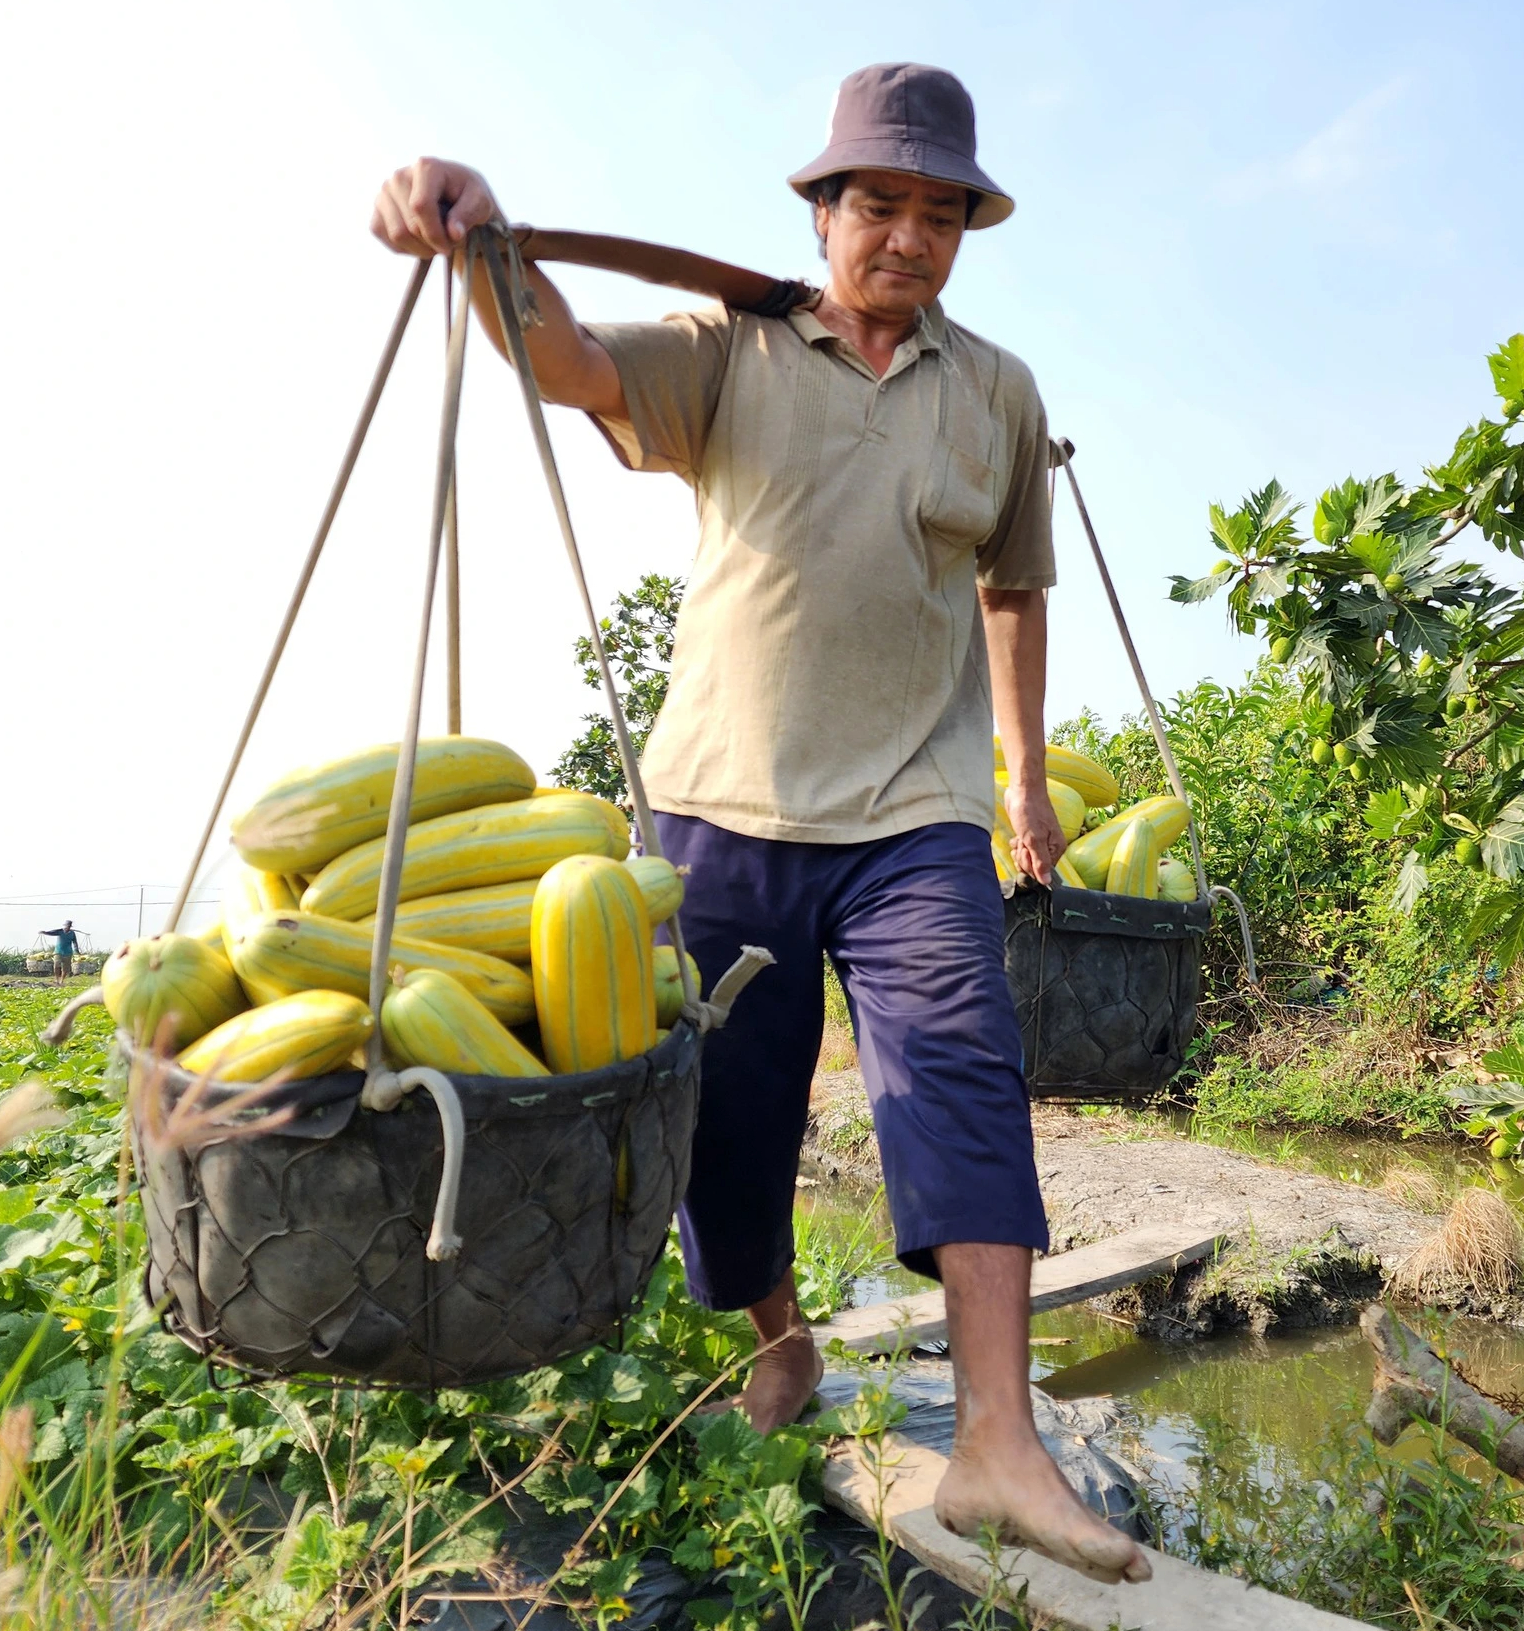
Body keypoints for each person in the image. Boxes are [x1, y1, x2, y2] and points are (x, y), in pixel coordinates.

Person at [369, 63, 1147, 1586]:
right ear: (822, 208)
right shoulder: (735, 349)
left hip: (913, 810)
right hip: (720, 803)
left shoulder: (997, 390)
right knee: (729, 1122)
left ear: (968, 229)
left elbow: (1013, 587)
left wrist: (1024, 772)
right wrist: (484, 248)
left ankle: (1000, 1438)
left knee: (965, 1076)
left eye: (941, 213)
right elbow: (574, 361)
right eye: (880, 204)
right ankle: (780, 1340)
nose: (909, 238)